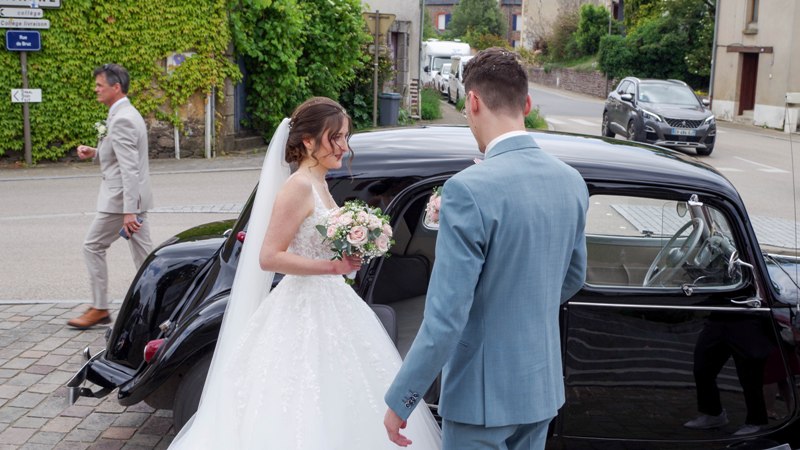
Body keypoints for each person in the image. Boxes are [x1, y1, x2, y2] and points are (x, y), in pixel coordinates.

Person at [169, 97, 441, 449]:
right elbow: (269, 257)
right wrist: (332, 266)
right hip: (303, 304)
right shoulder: (297, 186)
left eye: (345, 137)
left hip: (334, 299)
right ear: (309, 141)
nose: (344, 146)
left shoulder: (321, 183)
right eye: (336, 138)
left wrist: (354, 247)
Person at [384, 48, 589, 450]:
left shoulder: (468, 188)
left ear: (473, 101)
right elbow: (574, 276)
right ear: (527, 104)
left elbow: (446, 318)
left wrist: (402, 400)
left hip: (481, 398)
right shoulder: (571, 181)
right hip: (540, 388)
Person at [68, 63, 153, 329]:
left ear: (116, 88)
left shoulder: (123, 118)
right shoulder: (123, 113)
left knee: (92, 246)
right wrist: (95, 152)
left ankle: (100, 308)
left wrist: (129, 211)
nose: (95, 89)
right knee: (146, 257)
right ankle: (161, 301)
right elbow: (121, 156)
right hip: (132, 199)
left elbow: (130, 169)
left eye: (99, 85)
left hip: (120, 201)